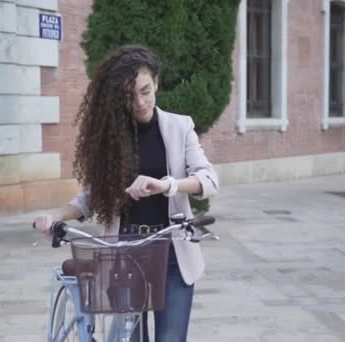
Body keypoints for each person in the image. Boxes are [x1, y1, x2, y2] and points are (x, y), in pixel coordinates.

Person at [34, 45, 218, 342]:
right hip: (125, 254)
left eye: (145, 91)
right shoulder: (112, 136)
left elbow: (208, 179)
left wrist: (167, 184)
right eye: (130, 96)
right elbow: (90, 198)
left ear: (156, 82)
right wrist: (57, 214)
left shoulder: (179, 127)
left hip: (172, 253)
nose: (140, 102)